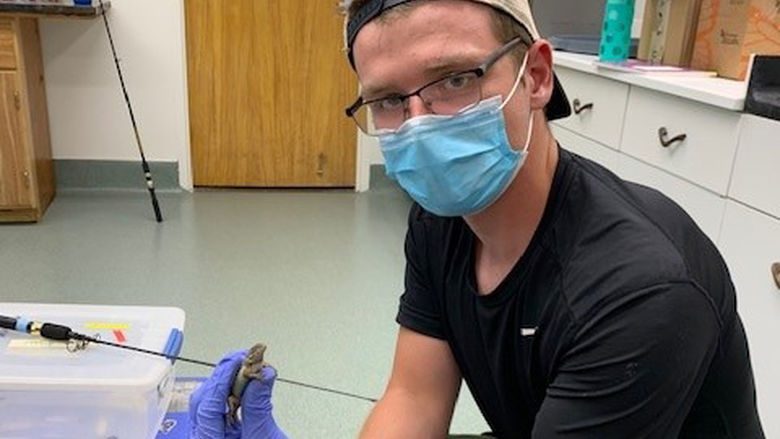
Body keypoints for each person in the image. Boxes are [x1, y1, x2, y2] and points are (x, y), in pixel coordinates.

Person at [191, 0, 765, 437]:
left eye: (455, 80)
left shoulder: (639, 291)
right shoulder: (443, 221)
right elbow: (414, 399)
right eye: (388, 100)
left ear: (537, 76)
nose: (420, 123)